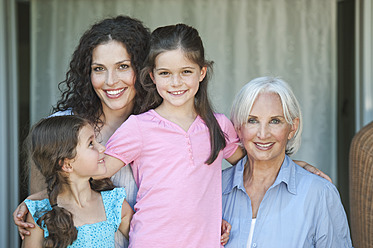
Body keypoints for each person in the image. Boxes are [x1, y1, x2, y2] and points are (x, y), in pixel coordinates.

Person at [101, 23, 244, 247]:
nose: (176, 83)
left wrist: (297, 167)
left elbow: (253, 167)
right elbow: (93, 173)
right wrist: (124, 211)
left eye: (186, 71)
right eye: (165, 73)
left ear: (202, 72)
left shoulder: (219, 126)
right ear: (152, 76)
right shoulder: (138, 127)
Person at [15, 15, 151, 248]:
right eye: (99, 69)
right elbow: (45, 206)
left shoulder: (160, 129)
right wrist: (34, 200)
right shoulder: (59, 130)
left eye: (123, 66)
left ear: (144, 69)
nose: (110, 81)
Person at [222, 76, 352, 247]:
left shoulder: (319, 193)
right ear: (238, 127)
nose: (263, 134)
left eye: (275, 121)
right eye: (252, 120)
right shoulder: (214, 187)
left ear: (292, 127)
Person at [22, 116, 133, 248]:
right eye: (91, 144)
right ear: (66, 164)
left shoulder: (114, 204)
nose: (102, 148)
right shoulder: (40, 212)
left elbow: (148, 240)